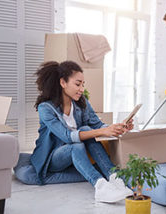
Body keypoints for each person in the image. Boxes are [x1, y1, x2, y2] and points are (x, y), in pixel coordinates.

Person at [31, 60, 133, 203]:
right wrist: (103, 131)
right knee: (77, 143)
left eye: (83, 85)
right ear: (63, 83)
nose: (81, 89)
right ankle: (100, 186)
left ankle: (115, 179)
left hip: (78, 155)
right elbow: (67, 137)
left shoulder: (81, 102)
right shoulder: (46, 108)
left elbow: (98, 125)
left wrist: (117, 128)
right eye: (77, 84)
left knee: (86, 129)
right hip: (53, 157)